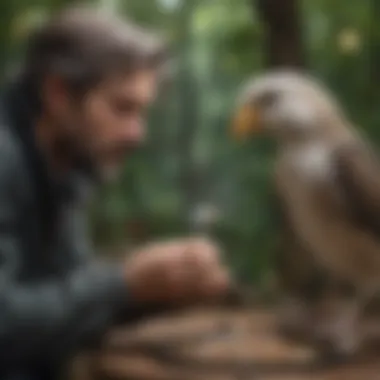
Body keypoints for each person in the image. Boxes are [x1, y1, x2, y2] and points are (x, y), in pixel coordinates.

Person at [0, 6, 230, 380]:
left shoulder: (64, 166)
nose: (137, 134)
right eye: (122, 108)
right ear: (58, 93)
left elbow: (61, 304)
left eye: (142, 113)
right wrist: (123, 284)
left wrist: (160, 287)